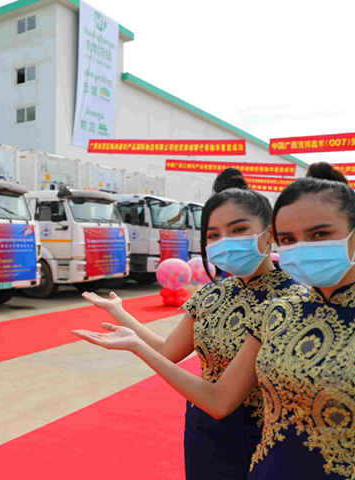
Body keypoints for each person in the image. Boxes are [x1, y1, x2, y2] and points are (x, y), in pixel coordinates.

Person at [74, 162, 355, 480]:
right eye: (291, 239)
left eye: (320, 234)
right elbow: (209, 388)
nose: (303, 247)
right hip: (233, 453)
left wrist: (137, 343)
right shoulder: (278, 312)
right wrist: (127, 323)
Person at [79, 172, 307, 479]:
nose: (224, 242)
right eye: (213, 235)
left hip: (261, 441)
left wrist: (136, 348)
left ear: (271, 234)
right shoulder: (212, 293)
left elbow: (221, 401)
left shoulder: (291, 301)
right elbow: (168, 350)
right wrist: (121, 313)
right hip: (201, 432)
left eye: (238, 229)